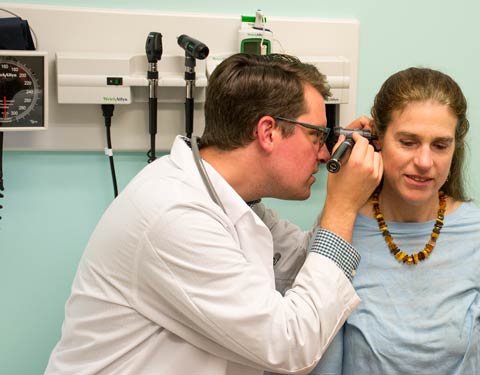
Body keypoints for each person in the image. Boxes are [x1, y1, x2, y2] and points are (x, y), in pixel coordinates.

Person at [45, 53, 383, 375]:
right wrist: (342, 207)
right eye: (316, 135)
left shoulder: (229, 197)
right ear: (268, 132)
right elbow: (291, 346)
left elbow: (301, 261)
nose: (325, 154)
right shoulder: (175, 214)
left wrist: (354, 188)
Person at [310, 67, 480, 374]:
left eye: (440, 145)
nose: (424, 162)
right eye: (408, 142)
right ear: (376, 140)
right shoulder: (341, 231)